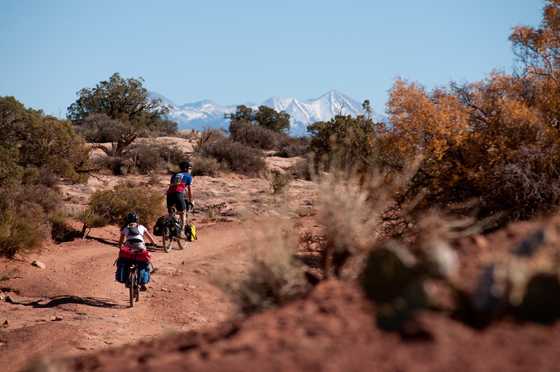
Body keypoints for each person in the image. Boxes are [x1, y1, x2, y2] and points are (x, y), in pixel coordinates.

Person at [166, 161, 194, 237]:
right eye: (190, 168)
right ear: (186, 168)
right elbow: (190, 191)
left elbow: (172, 185)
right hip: (178, 193)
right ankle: (181, 232)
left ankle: (168, 231)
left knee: (171, 213)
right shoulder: (188, 176)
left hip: (169, 194)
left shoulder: (174, 175)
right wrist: (191, 201)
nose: (191, 170)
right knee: (183, 213)